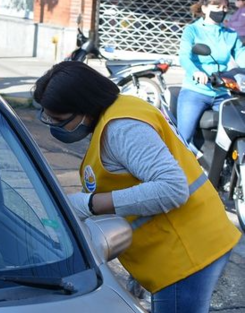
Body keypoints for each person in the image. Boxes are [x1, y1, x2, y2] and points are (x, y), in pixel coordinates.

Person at [32, 60, 241, 313]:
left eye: (59, 119)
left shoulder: (122, 128)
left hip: (186, 254)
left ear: (84, 108)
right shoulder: (122, 110)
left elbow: (172, 189)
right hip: (189, 243)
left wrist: (90, 204)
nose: (54, 125)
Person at [177, 0, 245, 154]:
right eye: (217, 6)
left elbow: (242, 56)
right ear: (205, 8)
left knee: (238, 129)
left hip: (222, 92)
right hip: (195, 91)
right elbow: (184, 57)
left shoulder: (230, 34)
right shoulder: (192, 30)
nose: (221, 10)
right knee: (182, 139)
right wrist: (196, 72)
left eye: (225, 7)